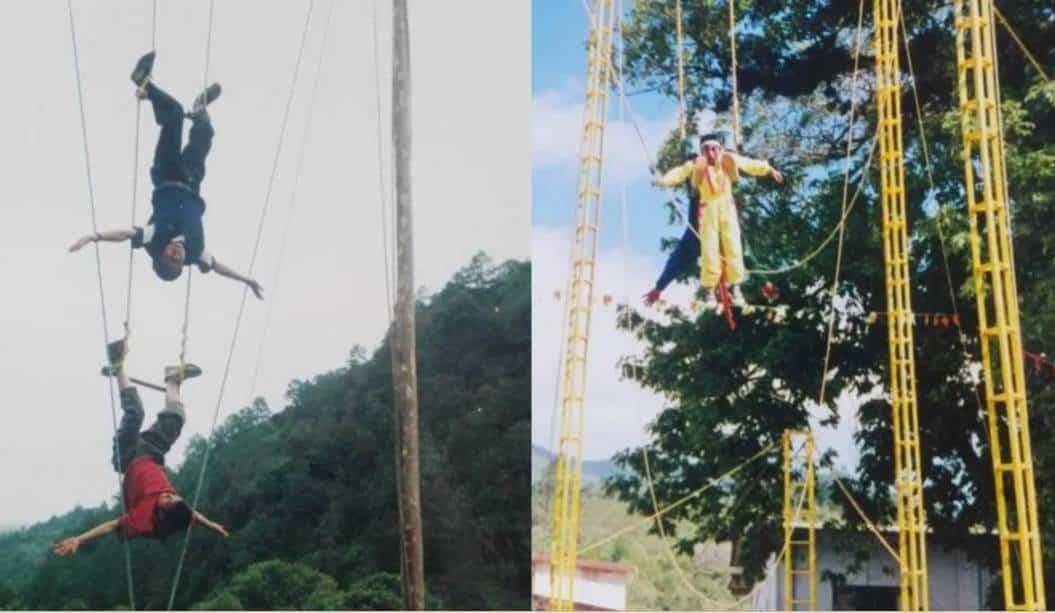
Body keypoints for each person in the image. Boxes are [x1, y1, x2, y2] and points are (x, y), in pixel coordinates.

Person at [68, 51, 264, 300]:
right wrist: (246, 280)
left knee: (174, 115)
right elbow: (218, 267)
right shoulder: (194, 251)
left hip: (167, 174)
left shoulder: (155, 237)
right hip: (192, 182)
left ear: (161, 254)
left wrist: (93, 237)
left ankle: (143, 82)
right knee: (204, 132)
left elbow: (125, 234)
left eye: (169, 256)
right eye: (178, 261)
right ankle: (200, 107)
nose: (176, 253)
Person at [52, 338, 227, 555]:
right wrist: (212, 526)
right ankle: (173, 380)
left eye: (167, 500)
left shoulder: (142, 520)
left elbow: (110, 526)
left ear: (162, 515)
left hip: (128, 457)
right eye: (173, 496)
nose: (168, 494)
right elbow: (194, 516)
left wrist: (79, 539)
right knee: (176, 419)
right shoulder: (179, 510)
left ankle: (118, 367)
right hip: (153, 453)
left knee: (136, 413)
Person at [651, 132, 783, 309]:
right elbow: (681, 172)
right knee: (710, 249)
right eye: (706, 151)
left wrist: (768, 169)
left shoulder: (725, 164)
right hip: (706, 216)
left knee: (734, 246)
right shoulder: (695, 173)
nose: (711, 155)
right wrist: (660, 286)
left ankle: (735, 287)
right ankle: (711, 290)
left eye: (715, 150)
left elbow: (744, 252)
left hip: (725, 211)